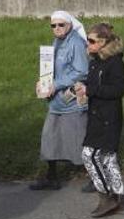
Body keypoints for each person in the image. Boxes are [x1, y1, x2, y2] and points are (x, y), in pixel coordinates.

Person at [30, 11, 89, 191]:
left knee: (78, 140)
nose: (57, 28)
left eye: (61, 24)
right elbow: (52, 68)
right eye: (53, 25)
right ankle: (51, 177)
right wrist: (44, 83)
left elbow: (82, 71)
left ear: (70, 25)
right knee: (50, 137)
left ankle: (96, 177)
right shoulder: (58, 42)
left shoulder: (77, 44)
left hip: (71, 102)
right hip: (56, 102)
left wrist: (56, 84)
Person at [76, 23, 124, 218]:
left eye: (91, 41)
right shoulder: (95, 61)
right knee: (107, 158)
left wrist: (91, 90)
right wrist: (82, 87)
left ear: (103, 43)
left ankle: (107, 197)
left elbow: (118, 90)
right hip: (96, 116)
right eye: (87, 40)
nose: (87, 44)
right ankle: (120, 198)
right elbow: (92, 83)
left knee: (89, 155)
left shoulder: (115, 63)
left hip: (108, 119)